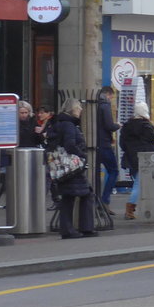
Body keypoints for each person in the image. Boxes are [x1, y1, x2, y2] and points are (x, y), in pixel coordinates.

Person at [47, 98, 97, 239]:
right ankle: (82, 228)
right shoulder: (69, 125)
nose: (81, 110)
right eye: (79, 107)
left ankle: (70, 229)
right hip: (72, 165)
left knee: (68, 197)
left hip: (62, 167)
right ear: (73, 109)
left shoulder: (57, 124)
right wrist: (82, 156)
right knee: (86, 194)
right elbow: (70, 145)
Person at [118, 102, 154, 220]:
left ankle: (133, 209)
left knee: (139, 181)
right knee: (140, 183)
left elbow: (122, 144)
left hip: (132, 158)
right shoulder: (145, 125)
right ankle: (130, 209)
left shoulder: (126, 127)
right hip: (148, 157)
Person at [95, 86, 121, 212]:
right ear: (108, 94)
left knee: (95, 174)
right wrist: (117, 125)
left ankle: (96, 200)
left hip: (94, 144)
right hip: (104, 144)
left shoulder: (95, 104)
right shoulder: (105, 105)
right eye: (111, 97)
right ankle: (105, 200)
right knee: (114, 171)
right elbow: (109, 125)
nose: (111, 99)